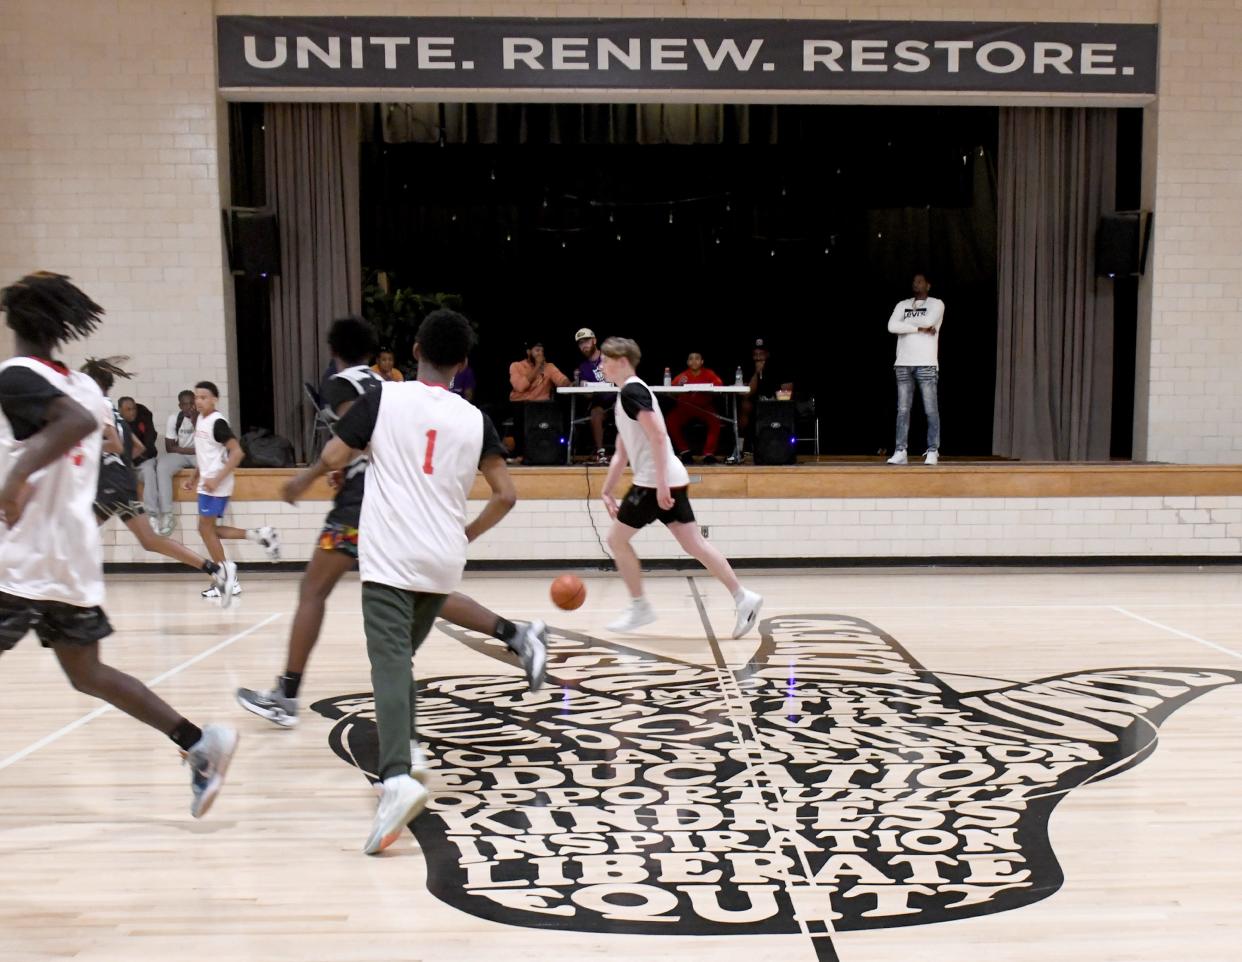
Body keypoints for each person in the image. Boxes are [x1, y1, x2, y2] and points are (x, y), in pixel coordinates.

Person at [283, 308, 523, 855]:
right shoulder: (474, 417)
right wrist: (468, 533)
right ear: (462, 364)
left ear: (415, 350)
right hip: (443, 559)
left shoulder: (384, 398)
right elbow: (506, 495)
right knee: (400, 662)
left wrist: (321, 469)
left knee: (388, 663)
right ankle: (407, 747)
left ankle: (396, 778)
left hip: (391, 556)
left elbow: (334, 454)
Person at [0, 271, 237, 817]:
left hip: (22, 557)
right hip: (71, 560)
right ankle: (198, 744)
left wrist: (13, 482)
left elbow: (71, 426)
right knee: (87, 674)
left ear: (14, 322)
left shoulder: (17, 377)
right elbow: (93, 434)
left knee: (88, 674)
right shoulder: (84, 386)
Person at [238, 317, 547, 729]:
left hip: (366, 504)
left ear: (334, 351)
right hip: (409, 504)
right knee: (422, 590)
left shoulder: (341, 385)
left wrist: (304, 479)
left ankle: (288, 695)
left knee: (313, 590)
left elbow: (347, 445)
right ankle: (514, 634)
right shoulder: (383, 382)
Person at [597, 337, 763, 637]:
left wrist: (660, 484)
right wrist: (606, 490)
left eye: (605, 360)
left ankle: (639, 606)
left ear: (622, 361)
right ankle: (743, 598)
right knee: (694, 544)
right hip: (668, 478)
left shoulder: (633, 391)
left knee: (616, 540)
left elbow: (660, 436)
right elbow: (622, 453)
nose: (601, 366)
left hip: (653, 482)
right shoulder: (627, 396)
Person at [82, 358, 238, 606]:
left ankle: (69, 595)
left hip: (112, 484)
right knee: (150, 541)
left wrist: (86, 449)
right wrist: (117, 467)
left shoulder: (97, 407)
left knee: (77, 532)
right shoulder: (111, 408)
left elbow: (116, 444)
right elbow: (137, 447)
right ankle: (215, 570)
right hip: (121, 482)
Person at [180, 380, 280, 599]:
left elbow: (237, 453)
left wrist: (216, 479)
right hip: (206, 482)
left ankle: (227, 578)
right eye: (197, 397)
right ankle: (258, 535)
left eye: (203, 397)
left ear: (214, 399)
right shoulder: (200, 421)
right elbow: (205, 454)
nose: (199, 401)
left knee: (205, 529)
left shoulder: (218, 422)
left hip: (217, 484)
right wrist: (194, 476)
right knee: (208, 530)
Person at [885, 272, 944, 466]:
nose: (916, 284)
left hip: (926, 362)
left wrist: (908, 324)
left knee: (930, 409)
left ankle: (933, 450)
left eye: (920, 281)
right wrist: (918, 329)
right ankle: (900, 450)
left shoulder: (936, 304)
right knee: (902, 409)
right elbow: (891, 326)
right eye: (913, 281)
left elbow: (929, 322)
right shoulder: (902, 305)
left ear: (928, 285)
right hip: (903, 363)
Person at [507, 341, 570, 460]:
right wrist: (537, 367)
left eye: (542, 351)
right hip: (521, 404)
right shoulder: (516, 366)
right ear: (528, 352)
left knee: (559, 412)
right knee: (520, 412)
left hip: (541, 406)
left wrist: (569, 383)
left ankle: (554, 453)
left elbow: (562, 380)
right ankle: (521, 453)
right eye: (537, 350)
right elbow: (520, 386)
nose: (540, 354)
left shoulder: (549, 367)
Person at [736, 338, 794, 462]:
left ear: (767, 355)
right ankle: (740, 447)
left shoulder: (779, 366)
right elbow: (747, 393)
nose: (758, 358)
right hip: (756, 404)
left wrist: (775, 398)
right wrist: (757, 373)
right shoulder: (746, 367)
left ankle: (783, 447)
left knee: (784, 408)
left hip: (776, 403)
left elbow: (787, 392)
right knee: (744, 405)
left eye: (761, 354)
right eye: (755, 355)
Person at [666, 351, 724, 464]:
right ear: (687, 362)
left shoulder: (709, 374)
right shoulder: (682, 376)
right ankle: (684, 452)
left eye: (697, 358)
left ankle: (708, 454)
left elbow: (719, 387)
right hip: (685, 408)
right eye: (691, 359)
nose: (694, 361)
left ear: (702, 362)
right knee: (670, 421)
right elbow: (670, 391)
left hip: (704, 407)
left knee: (715, 421)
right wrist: (679, 387)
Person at [153, 389, 197, 536]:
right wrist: (191, 450)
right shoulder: (174, 418)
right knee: (162, 466)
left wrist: (195, 420)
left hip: (199, 456)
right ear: (180, 405)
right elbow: (169, 448)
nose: (189, 407)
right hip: (182, 454)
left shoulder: (203, 418)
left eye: (192, 403)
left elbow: (207, 447)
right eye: (185, 404)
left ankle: (215, 513)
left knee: (212, 466)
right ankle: (167, 514)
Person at [573, 328, 614, 465]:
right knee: (595, 412)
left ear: (594, 341)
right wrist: (580, 387)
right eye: (580, 344)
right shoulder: (583, 367)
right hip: (601, 404)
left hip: (618, 399)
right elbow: (586, 395)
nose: (584, 346)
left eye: (587, 341)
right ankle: (600, 453)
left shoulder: (609, 357)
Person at [118, 394, 158, 518]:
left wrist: (132, 458)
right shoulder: (116, 422)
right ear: (120, 411)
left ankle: (152, 513)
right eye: (128, 410)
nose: (132, 412)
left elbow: (149, 445)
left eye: (133, 408)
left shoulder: (144, 415)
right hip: (126, 464)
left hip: (144, 460)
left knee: (149, 471)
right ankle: (126, 513)